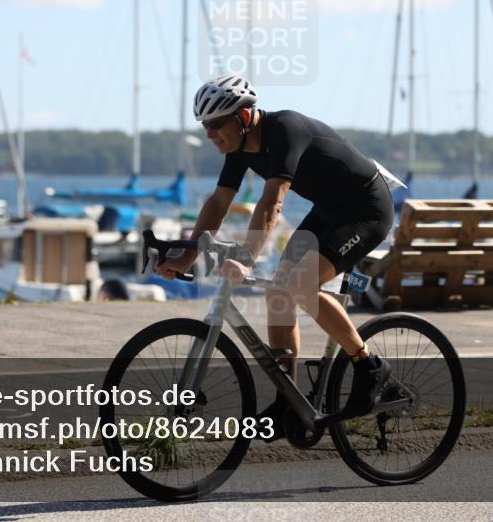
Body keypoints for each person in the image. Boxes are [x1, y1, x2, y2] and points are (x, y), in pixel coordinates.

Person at [156, 74, 396, 438]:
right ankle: (291, 401)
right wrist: (188, 255)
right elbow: (220, 201)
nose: (210, 134)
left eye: (217, 124)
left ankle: (370, 365)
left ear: (244, 116)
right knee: (278, 293)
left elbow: (272, 203)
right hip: (329, 210)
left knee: (299, 285)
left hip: (366, 209)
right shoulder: (238, 150)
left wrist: (247, 257)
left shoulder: (284, 128)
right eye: (205, 127)